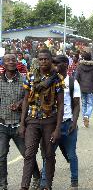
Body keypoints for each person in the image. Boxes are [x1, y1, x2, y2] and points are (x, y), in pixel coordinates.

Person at [19, 49, 65, 190]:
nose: (43, 61)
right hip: (32, 120)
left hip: (49, 121)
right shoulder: (30, 76)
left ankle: (47, 186)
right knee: (29, 154)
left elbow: (61, 103)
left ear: (51, 60)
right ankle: (24, 186)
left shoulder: (57, 78)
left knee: (49, 155)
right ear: (37, 60)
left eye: (46, 59)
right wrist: (22, 124)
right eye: (40, 59)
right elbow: (26, 100)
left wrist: (57, 129)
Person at [0, 53, 40, 190]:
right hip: (2, 125)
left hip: (20, 125)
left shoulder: (24, 79)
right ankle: (3, 184)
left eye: (13, 60)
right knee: (1, 156)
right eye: (7, 60)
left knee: (27, 154)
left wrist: (20, 103)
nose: (11, 62)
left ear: (17, 62)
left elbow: (30, 97)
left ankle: (36, 177)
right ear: (3, 64)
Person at [40, 55, 81, 189]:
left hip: (68, 123)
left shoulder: (72, 82)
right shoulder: (50, 81)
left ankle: (74, 181)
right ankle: (44, 182)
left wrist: (74, 123)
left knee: (71, 154)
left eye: (58, 62)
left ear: (66, 64)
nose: (55, 64)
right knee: (48, 154)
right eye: (54, 62)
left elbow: (76, 105)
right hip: (52, 125)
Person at [75, 52, 93, 128]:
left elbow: (76, 77)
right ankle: (87, 115)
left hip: (81, 88)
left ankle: (85, 118)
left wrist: (78, 86)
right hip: (90, 88)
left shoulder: (80, 65)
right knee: (90, 104)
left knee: (84, 103)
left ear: (83, 58)